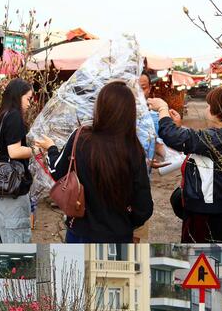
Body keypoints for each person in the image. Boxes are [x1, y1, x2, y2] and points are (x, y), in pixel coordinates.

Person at [39, 81, 153, 243]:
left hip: (81, 233)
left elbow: (57, 172)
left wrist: (51, 148)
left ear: (99, 107)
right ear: (130, 113)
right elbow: (144, 207)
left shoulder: (80, 138)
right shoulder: (134, 149)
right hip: (118, 237)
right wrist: (125, 222)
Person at [147, 84, 222, 243]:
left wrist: (162, 108)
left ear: (218, 111)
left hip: (207, 220)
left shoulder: (221, 138)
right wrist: (179, 126)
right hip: (220, 215)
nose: (207, 108)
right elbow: (197, 144)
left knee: (201, 262)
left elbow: (173, 137)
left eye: (209, 105)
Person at [0, 78, 45, 244]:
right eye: (27, 98)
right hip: (11, 193)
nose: (29, 103)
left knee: (4, 245)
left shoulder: (3, 116)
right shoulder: (14, 117)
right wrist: (35, 150)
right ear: (17, 97)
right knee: (17, 247)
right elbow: (14, 151)